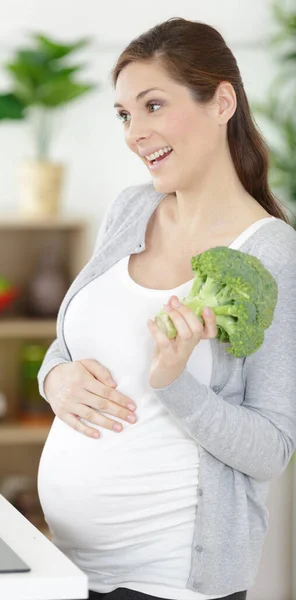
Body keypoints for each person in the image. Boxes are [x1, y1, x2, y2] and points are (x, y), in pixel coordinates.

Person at [36, 17, 296, 600]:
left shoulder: (271, 252)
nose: (135, 132)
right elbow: (72, 344)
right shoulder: (131, 209)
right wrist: (55, 378)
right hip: (70, 570)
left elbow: (272, 450)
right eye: (126, 114)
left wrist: (174, 382)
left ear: (222, 101)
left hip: (172, 583)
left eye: (153, 105)